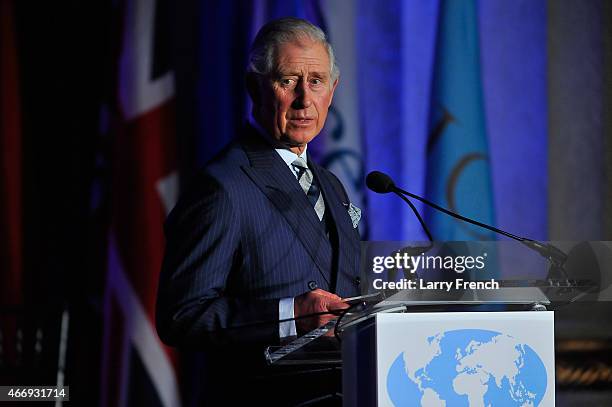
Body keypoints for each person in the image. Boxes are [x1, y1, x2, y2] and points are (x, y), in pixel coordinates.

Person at [156, 17, 362, 405]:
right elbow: (182, 316)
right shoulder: (224, 186)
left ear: (332, 92)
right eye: (288, 81)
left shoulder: (331, 186)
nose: (304, 98)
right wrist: (291, 314)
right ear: (255, 87)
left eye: (316, 81)